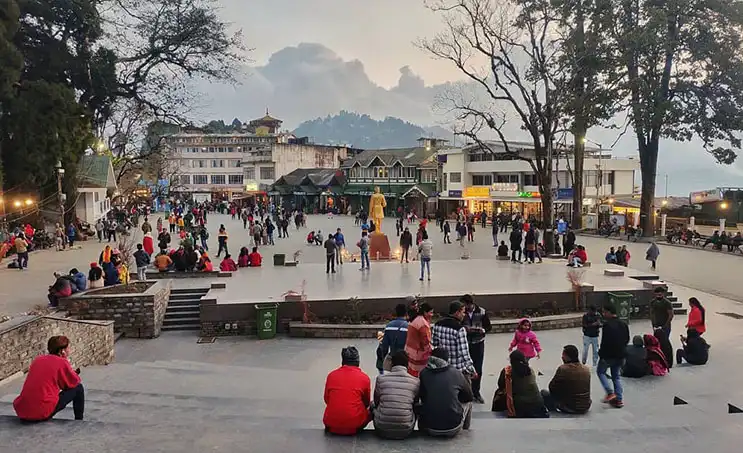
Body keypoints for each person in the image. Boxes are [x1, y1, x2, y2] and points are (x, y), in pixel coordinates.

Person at [13, 336, 84, 422]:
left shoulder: (38, 360)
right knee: (78, 388)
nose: (70, 350)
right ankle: (79, 420)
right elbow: (73, 383)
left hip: (23, 410)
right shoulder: (61, 362)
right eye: (69, 347)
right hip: (41, 411)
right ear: (63, 351)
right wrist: (69, 369)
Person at [418, 348, 473, 437]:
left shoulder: (423, 373)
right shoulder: (456, 373)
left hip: (429, 427)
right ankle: (466, 431)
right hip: (453, 427)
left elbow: (422, 397)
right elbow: (469, 397)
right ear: (447, 359)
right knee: (469, 403)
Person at [323, 346, 371, 435]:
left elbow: (327, 399)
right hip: (355, 425)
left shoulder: (331, 375)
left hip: (331, 423)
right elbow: (366, 403)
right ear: (358, 361)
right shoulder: (364, 378)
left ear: (343, 360)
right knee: (373, 408)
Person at [372, 351, 420, 439]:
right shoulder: (415, 381)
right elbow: (414, 404)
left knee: (372, 405)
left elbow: (376, 401)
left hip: (381, 427)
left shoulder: (381, 379)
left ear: (392, 364)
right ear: (407, 364)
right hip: (406, 429)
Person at [491, 350, 548, 418]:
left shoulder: (507, 371)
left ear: (511, 360)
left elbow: (501, 385)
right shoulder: (530, 370)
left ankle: (495, 415)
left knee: (498, 393)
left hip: (519, 407)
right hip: (537, 406)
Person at [540, 345, 591, 414]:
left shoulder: (563, 369)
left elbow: (552, 387)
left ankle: (553, 412)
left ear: (567, 357)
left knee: (544, 393)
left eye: (563, 355)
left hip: (571, 407)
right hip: (585, 405)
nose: (562, 357)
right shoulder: (586, 369)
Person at [432, 301, 476, 377]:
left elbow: (434, 345)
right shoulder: (459, 329)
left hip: (441, 367)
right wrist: (472, 370)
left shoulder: (437, 324)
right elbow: (464, 352)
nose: (464, 315)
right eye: (463, 312)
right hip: (457, 370)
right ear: (457, 313)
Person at [597, 305, 630, 408]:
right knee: (616, 377)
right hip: (620, 355)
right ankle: (619, 400)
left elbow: (605, 342)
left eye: (604, 312)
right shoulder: (624, 324)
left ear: (609, 312)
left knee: (600, 372)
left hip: (608, 355)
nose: (603, 314)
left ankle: (610, 392)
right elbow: (627, 339)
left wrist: (601, 354)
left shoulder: (607, 325)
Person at [461, 294, 491, 404]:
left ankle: (476, 392)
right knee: (465, 368)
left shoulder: (482, 312)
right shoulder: (461, 313)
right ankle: (466, 392)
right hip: (466, 344)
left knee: (478, 369)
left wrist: (482, 330)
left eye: (465, 305)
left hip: (478, 343)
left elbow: (488, 327)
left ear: (471, 304)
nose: (464, 307)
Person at [404, 302, 434, 377]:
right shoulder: (423, 324)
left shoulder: (416, 319)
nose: (432, 315)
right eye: (431, 313)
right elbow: (426, 342)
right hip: (419, 356)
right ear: (425, 312)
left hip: (410, 352)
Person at [377, 304, 409, 373]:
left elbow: (384, 346)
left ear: (396, 313)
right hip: (405, 360)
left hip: (393, 358)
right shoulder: (408, 327)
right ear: (406, 313)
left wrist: (384, 359)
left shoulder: (389, 326)